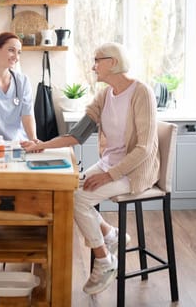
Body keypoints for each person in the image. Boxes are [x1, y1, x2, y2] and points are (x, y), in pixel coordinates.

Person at [22, 42, 160, 295]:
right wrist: (40, 146)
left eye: (98, 60)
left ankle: (105, 260)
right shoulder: (105, 95)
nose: (93, 65)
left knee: (79, 197)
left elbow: (144, 148)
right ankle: (110, 235)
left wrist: (109, 175)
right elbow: (77, 135)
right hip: (110, 164)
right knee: (69, 192)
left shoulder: (142, 93)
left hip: (134, 171)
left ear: (114, 62)